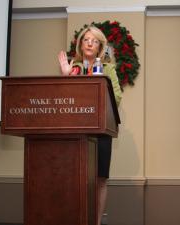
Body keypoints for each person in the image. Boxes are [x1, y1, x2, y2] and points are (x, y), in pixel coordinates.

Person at [58, 26, 122, 225]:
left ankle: (96, 222)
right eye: (86, 39)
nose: (89, 43)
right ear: (80, 43)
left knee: (100, 178)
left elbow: (117, 97)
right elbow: (63, 98)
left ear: (100, 46)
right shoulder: (73, 66)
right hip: (77, 129)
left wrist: (101, 86)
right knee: (77, 177)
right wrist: (66, 77)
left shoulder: (108, 68)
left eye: (94, 41)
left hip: (101, 129)